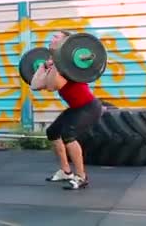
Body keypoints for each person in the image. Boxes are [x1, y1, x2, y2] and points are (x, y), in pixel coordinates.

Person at [30, 30, 103, 190]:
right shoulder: (56, 64)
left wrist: (53, 67)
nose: (51, 38)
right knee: (53, 132)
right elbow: (34, 85)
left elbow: (52, 85)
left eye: (56, 36)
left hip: (89, 107)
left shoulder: (68, 64)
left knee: (69, 136)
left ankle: (82, 177)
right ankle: (66, 171)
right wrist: (43, 66)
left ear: (65, 42)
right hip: (76, 107)